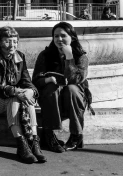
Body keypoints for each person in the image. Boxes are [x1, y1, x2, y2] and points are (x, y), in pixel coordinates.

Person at [0, 26, 46, 164]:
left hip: (12, 101)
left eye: (14, 41)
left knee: (26, 99)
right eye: (7, 41)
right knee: (14, 97)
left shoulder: (20, 56)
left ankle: (34, 143)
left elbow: (26, 81)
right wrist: (15, 91)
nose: (12, 45)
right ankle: (22, 144)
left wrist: (31, 91)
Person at [33, 22, 93, 153]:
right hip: (52, 99)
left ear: (72, 37)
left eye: (63, 36)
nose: (59, 39)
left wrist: (69, 57)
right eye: (56, 36)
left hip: (73, 99)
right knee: (51, 88)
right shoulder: (45, 55)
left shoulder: (81, 57)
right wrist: (48, 80)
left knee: (72, 89)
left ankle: (76, 136)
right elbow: (36, 80)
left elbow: (76, 79)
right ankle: (49, 134)